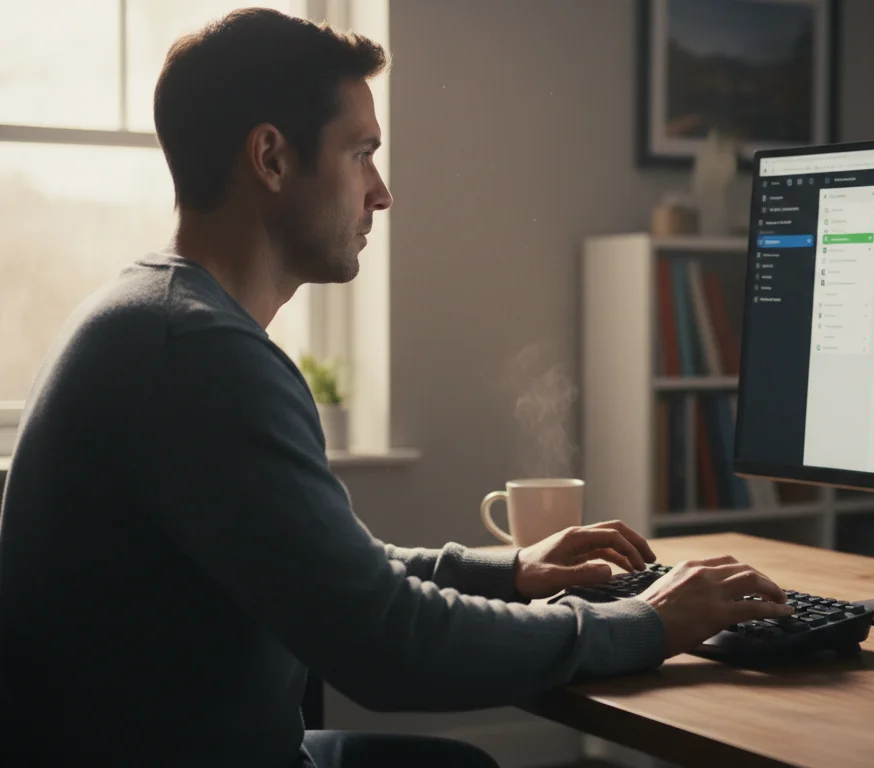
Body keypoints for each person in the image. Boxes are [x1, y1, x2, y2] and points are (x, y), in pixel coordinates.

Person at [0, 9, 792, 767]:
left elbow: (335, 572)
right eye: (361, 154)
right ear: (271, 158)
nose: (381, 192)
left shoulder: (161, 319)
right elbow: (387, 645)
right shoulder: (198, 355)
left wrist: (510, 573)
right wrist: (647, 622)